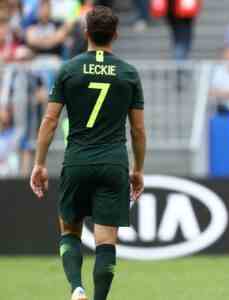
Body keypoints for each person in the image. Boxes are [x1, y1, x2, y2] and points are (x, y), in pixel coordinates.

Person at [29, 6, 147, 300]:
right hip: (113, 162)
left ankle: (76, 288)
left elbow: (50, 120)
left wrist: (39, 163)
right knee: (106, 242)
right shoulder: (128, 73)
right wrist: (138, 169)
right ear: (115, 35)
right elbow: (138, 130)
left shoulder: (69, 69)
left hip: (78, 159)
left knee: (70, 231)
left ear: (85, 34)